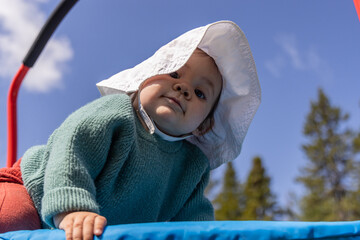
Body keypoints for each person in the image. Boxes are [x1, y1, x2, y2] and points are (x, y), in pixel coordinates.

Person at [0, 20, 261, 239]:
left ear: (204, 126)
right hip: (32, 189)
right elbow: (71, 150)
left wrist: (205, 234)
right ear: (145, 76)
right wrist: (72, 207)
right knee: (13, 217)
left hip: (88, 227)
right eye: (173, 74)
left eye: (201, 93)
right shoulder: (118, 113)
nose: (184, 88)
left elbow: (196, 220)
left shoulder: (192, 166)